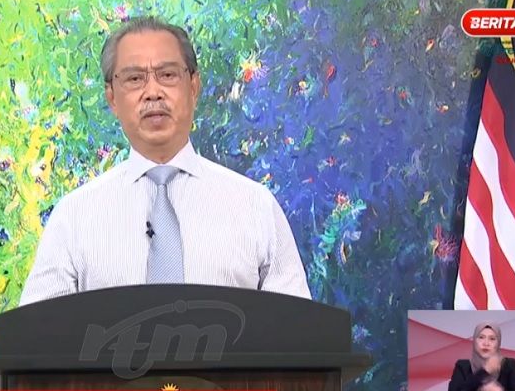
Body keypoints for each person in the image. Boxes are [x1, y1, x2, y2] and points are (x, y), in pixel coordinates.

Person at [19, 16, 311, 305]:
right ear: (112, 98)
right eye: (135, 79)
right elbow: (37, 329)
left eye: (167, 75)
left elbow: (296, 327)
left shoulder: (255, 207)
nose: (153, 93)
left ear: (193, 87)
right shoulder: (74, 216)